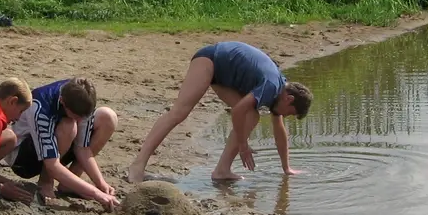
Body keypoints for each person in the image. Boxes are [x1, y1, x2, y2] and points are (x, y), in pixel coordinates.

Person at [126, 41, 313, 184]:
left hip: (223, 73)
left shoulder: (279, 88)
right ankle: (137, 167)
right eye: (289, 113)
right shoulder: (272, 85)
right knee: (179, 112)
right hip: (209, 60)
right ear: (289, 99)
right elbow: (238, 110)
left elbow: (279, 132)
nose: (284, 116)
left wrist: (286, 168)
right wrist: (243, 145)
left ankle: (222, 171)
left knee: (252, 116)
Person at [1, 77, 120, 209]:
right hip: (22, 158)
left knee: (107, 117)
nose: (82, 121)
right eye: (77, 116)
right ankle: (46, 182)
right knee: (69, 126)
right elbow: (52, 165)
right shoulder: (40, 107)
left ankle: (69, 184)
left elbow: (83, 149)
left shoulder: (80, 96)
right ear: (62, 101)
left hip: (54, 147)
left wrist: (101, 184)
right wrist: (96, 194)